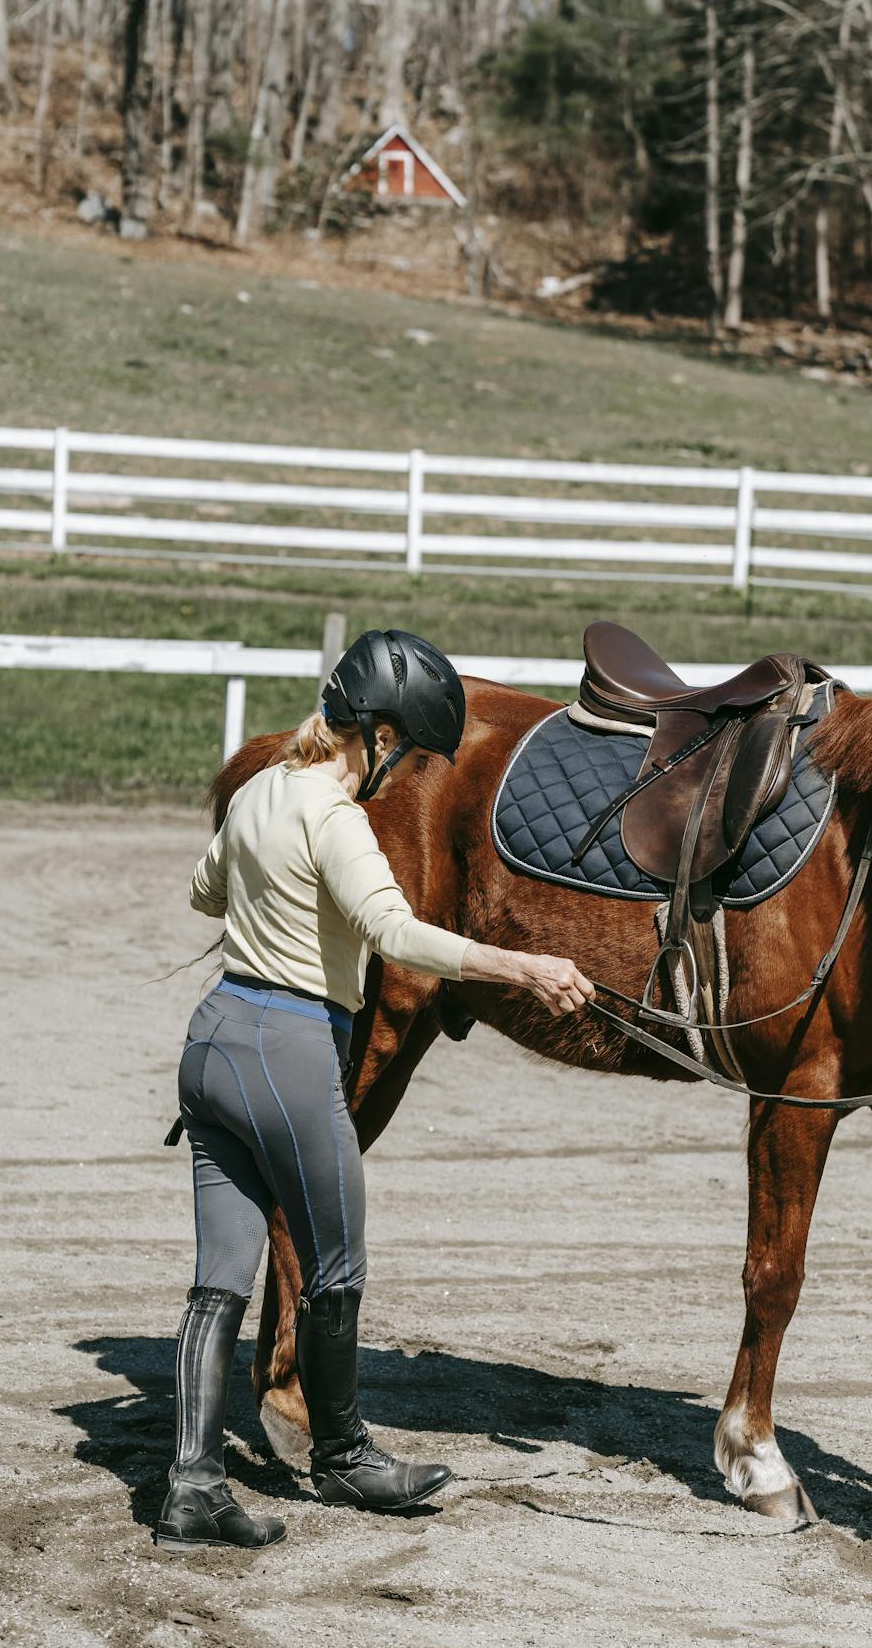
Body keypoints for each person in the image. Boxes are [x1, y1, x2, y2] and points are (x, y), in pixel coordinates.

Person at [156, 629, 593, 1555]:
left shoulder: (265, 789)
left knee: (216, 1283)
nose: (406, 777)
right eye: (412, 756)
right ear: (381, 738)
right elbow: (397, 935)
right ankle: (344, 1454)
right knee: (337, 1261)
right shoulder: (337, 815)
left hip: (214, 1046)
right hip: (289, 1049)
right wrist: (523, 967)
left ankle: (191, 1487)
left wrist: (275, 901)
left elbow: (205, 893)